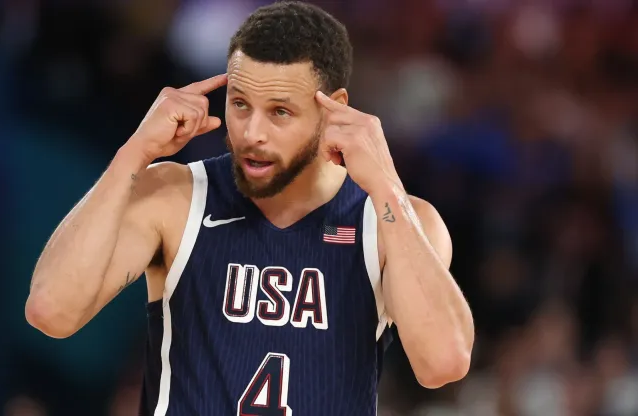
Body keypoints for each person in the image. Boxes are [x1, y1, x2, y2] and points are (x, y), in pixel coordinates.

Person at [25, 2, 475, 415]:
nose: (251, 133)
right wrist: (133, 153)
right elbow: (52, 311)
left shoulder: (391, 220)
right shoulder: (175, 195)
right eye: (240, 104)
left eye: (279, 112)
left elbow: (443, 364)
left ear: (333, 109)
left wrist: (386, 184)